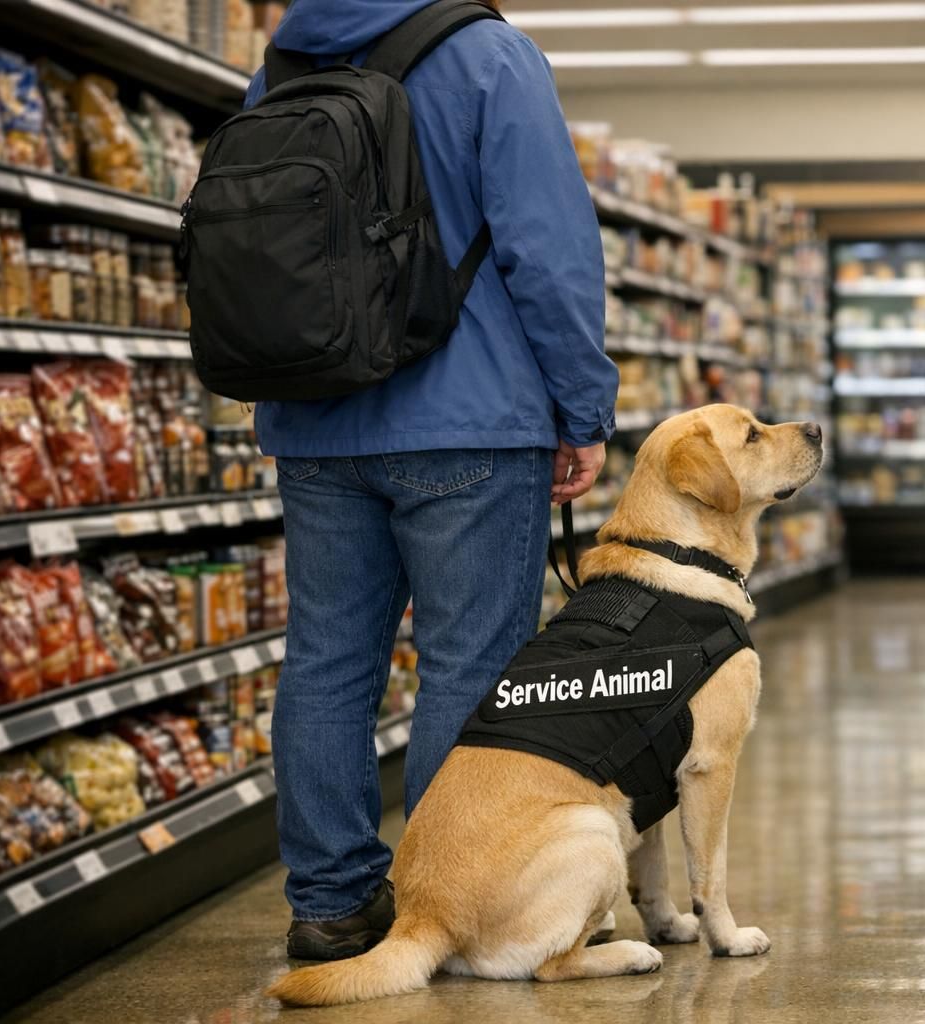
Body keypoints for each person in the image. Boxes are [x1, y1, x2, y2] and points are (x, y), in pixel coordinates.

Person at [244, 0, 619, 960]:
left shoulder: (283, 58)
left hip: (319, 418)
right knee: (470, 662)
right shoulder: (491, 55)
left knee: (327, 659)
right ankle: (446, 904)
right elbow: (549, 243)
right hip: (471, 416)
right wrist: (584, 406)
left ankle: (330, 904)